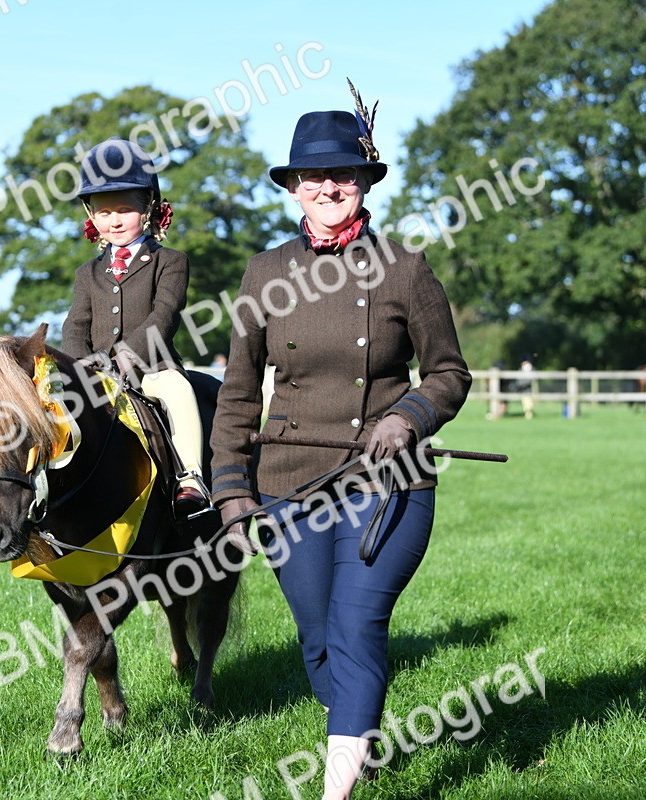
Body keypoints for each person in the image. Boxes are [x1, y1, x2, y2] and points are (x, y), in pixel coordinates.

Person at [209, 92, 472, 798]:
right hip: (289, 485)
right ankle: (359, 736)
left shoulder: (404, 268)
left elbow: (449, 373)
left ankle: (335, 787)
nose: (329, 187)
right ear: (294, 186)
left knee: (357, 626)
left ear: (364, 182)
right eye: (313, 176)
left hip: (386, 483)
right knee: (320, 638)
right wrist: (232, 493)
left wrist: (408, 417)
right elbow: (238, 393)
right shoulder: (264, 273)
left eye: (343, 175)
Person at [60, 137, 209, 517]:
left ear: (148, 209)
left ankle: (190, 478)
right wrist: (81, 365)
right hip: (96, 374)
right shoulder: (87, 273)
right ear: (91, 216)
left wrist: (124, 359)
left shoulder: (170, 261)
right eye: (104, 212)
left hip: (152, 369)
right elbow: (76, 323)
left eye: (124, 210)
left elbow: (165, 315)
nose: (113, 221)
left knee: (178, 391)